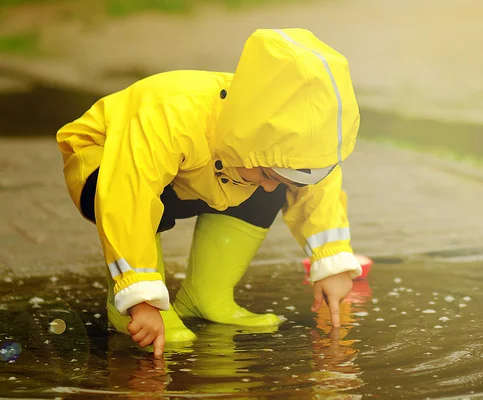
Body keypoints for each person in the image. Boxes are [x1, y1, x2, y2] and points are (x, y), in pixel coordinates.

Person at [56, 28, 362, 357]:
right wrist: (140, 298)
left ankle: (206, 296)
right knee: (144, 197)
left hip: (201, 174)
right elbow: (128, 196)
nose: (272, 183)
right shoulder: (173, 114)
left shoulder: (289, 134)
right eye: (266, 173)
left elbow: (316, 186)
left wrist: (332, 264)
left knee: (271, 184)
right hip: (105, 165)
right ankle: (127, 308)